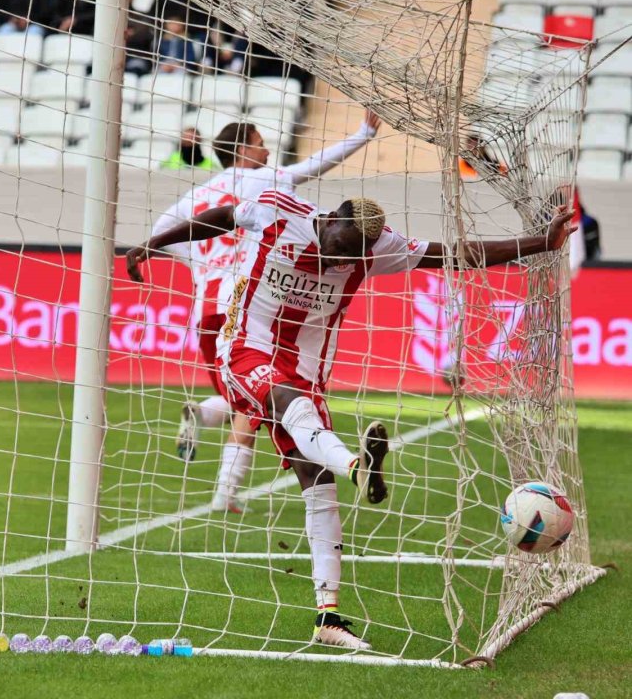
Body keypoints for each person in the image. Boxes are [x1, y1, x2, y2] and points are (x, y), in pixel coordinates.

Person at [128, 189, 575, 649]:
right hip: (245, 346)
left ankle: (328, 617)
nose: (343, 261)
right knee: (287, 402)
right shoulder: (278, 212)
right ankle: (357, 468)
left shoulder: (377, 247)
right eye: (340, 248)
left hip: (306, 369)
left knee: (317, 482)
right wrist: (155, 243)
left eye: (353, 257)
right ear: (330, 221)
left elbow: (455, 254)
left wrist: (542, 242)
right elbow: (224, 216)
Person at [150, 109, 381, 514]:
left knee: (253, 397)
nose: (267, 151)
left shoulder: (197, 194)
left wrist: (200, 266)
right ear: (242, 150)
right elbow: (315, 164)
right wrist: (363, 133)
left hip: (206, 309)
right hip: (245, 306)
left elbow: (159, 233)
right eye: (260, 144)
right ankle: (225, 490)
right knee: (261, 401)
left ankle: (205, 418)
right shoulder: (265, 181)